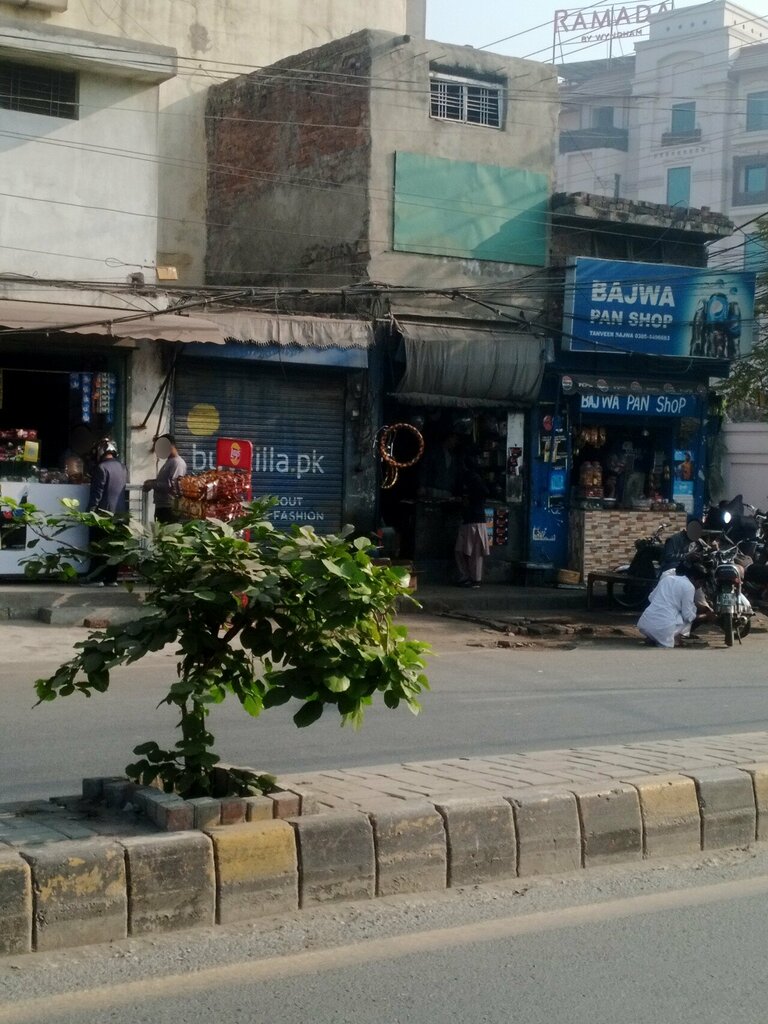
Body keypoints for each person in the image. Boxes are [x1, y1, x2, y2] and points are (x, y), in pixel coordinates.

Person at [637, 562, 709, 648]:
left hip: (645, 624)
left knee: (679, 611)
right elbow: (688, 616)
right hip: (664, 629)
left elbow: (651, 598)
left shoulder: (667, 579)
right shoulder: (689, 587)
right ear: (693, 578)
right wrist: (706, 616)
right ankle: (676, 638)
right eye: (700, 583)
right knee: (691, 611)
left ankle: (652, 637)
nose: (700, 586)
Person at [86, 438, 128, 585]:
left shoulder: (101, 468)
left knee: (98, 547)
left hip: (103, 514)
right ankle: (112, 579)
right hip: (120, 514)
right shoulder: (123, 468)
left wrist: (90, 512)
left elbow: (97, 494)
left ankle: (97, 578)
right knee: (115, 548)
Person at [454, 454, 490, 589]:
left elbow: (483, 492)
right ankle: (468, 577)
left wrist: (469, 498)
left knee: (472, 552)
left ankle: (474, 579)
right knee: (463, 550)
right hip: (470, 519)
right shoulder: (471, 477)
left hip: (474, 519)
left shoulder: (473, 478)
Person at [142, 433, 187, 523]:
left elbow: (172, 486)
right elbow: (165, 481)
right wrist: (152, 482)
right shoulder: (170, 462)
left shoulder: (177, 463)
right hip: (162, 506)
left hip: (169, 507)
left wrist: (152, 484)